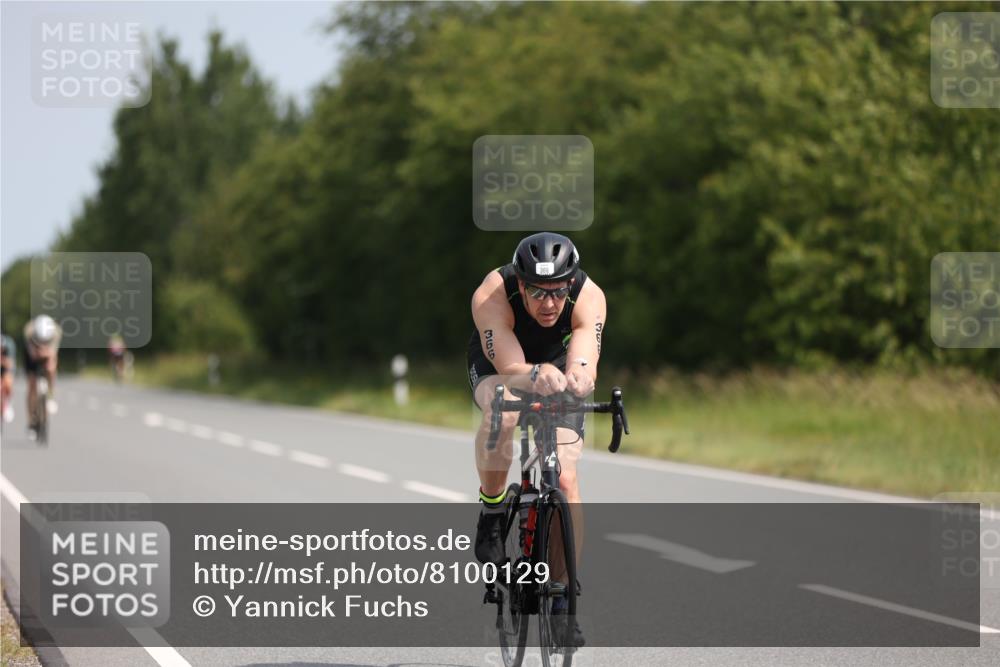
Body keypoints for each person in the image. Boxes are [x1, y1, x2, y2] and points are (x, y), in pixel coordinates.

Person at [467, 232, 605, 647]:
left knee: (565, 478)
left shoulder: (589, 295)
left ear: (571, 283)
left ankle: (562, 595)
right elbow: (511, 367)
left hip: (557, 362)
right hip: (502, 364)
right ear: (521, 285)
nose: (549, 303)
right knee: (503, 409)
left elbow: (585, 359)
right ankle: (493, 511)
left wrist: (580, 377)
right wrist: (533, 373)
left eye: (558, 292)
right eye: (538, 292)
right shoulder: (493, 293)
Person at [22, 315, 61, 437]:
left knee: (51, 369)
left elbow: (53, 354)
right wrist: (38, 352)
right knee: (32, 384)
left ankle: (50, 395)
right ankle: (31, 420)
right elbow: (32, 354)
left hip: (48, 353)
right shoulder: (29, 331)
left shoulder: (56, 332)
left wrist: (48, 358)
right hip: (32, 353)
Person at [1, 333, 15, 423]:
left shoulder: (8, 347)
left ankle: (8, 403)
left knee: (8, 382)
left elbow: (10, 365)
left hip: (5, 370)